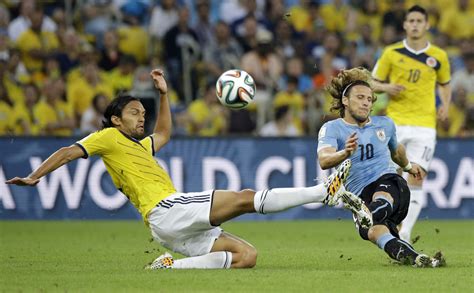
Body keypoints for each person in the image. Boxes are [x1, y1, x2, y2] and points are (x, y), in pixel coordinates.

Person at [6, 69, 370, 270]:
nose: (141, 117)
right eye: (134, 112)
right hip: (167, 208)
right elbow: (71, 151)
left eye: (142, 113)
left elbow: (164, 132)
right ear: (116, 119)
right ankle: (324, 191)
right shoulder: (107, 137)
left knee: (247, 257)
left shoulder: (140, 147)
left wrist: (163, 95)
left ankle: (169, 267)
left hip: (166, 231)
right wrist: (38, 175)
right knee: (244, 198)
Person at [318, 67, 445, 268]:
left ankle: (366, 212)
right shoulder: (332, 128)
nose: (366, 102)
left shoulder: (384, 124)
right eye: (360, 97)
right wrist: (345, 153)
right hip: (361, 195)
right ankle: (418, 259)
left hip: (390, 185)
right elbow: (324, 160)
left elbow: (397, 151)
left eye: (369, 99)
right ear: (345, 101)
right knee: (374, 233)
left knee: (380, 199)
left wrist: (409, 166)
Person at [371, 5, 452, 243]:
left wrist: (445, 104)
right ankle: (389, 223)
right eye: (411, 21)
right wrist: (388, 88)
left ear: (427, 25)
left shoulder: (439, 56)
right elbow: (372, 82)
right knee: (391, 177)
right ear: (405, 25)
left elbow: (445, 84)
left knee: (416, 176)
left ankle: (404, 233)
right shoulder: (391, 53)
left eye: (419, 20)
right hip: (394, 124)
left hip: (425, 126)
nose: (415, 24)